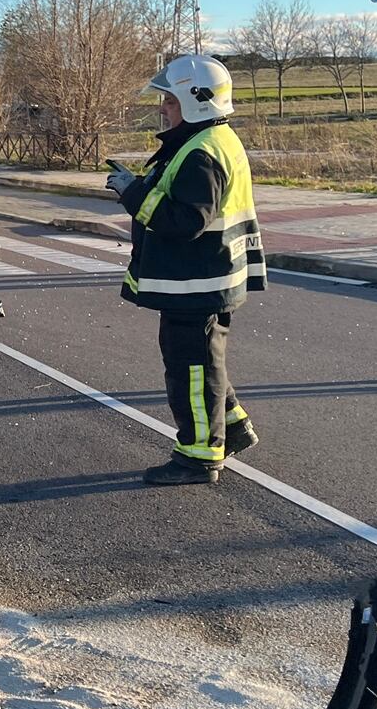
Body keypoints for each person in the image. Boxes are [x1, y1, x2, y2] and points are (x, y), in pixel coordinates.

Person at [109, 54, 265, 486]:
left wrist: (132, 193)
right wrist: (137, 187)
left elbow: (184, 222)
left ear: (197, 102)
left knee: (191, 371)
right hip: (204, 281)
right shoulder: (206, 140)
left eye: (171, 101)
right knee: (204, 364)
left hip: (197, 284)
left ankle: (198, 456)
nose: (163, 107)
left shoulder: (203, 153)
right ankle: (231, 429)